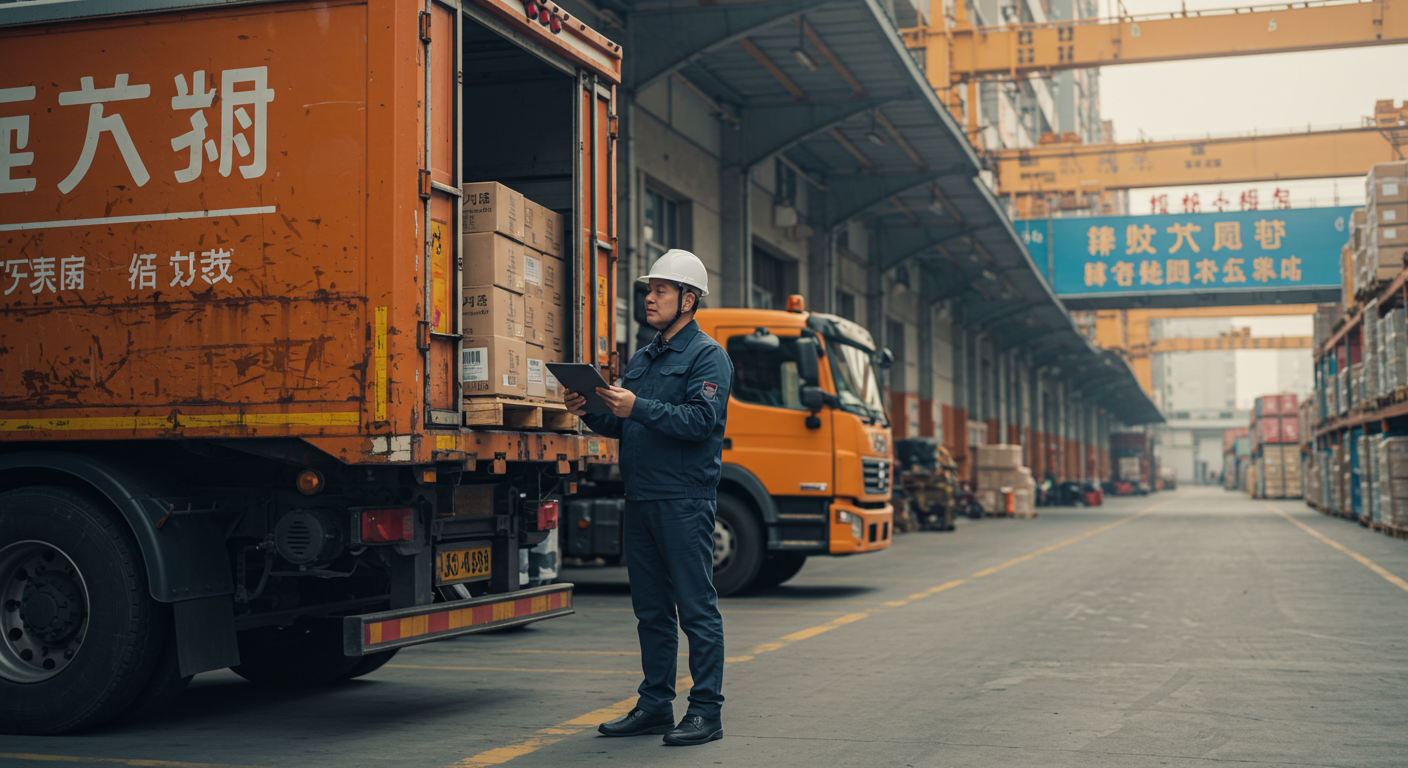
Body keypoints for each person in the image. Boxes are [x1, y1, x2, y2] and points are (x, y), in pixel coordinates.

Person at [564, 249, 733, 747]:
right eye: (648, 290)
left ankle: (706, 712)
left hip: (683, 499)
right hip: (640, 497)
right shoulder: (644, 357)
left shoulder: (707, 356)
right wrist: (588, 410)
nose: (649, 298)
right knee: (652, 611)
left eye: (660, 290)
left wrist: (638, 405)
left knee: (696, 609)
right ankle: (656, 704)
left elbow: (700, 422)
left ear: (688, 299)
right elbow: (624, 423)